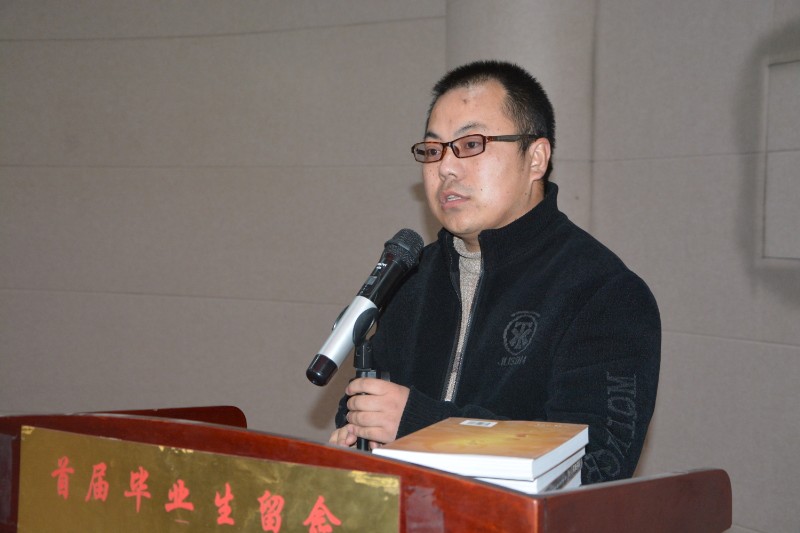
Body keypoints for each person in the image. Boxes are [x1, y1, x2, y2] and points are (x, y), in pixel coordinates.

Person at [329, 60, 660, 484]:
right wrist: (356, 436)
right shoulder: (408, 279)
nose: (445, 168)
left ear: (536, 158)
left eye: (470, 144)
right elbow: (368, 410)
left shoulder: (603, 293)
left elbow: (595, 469)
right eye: (433, 150)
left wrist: (421, 426)